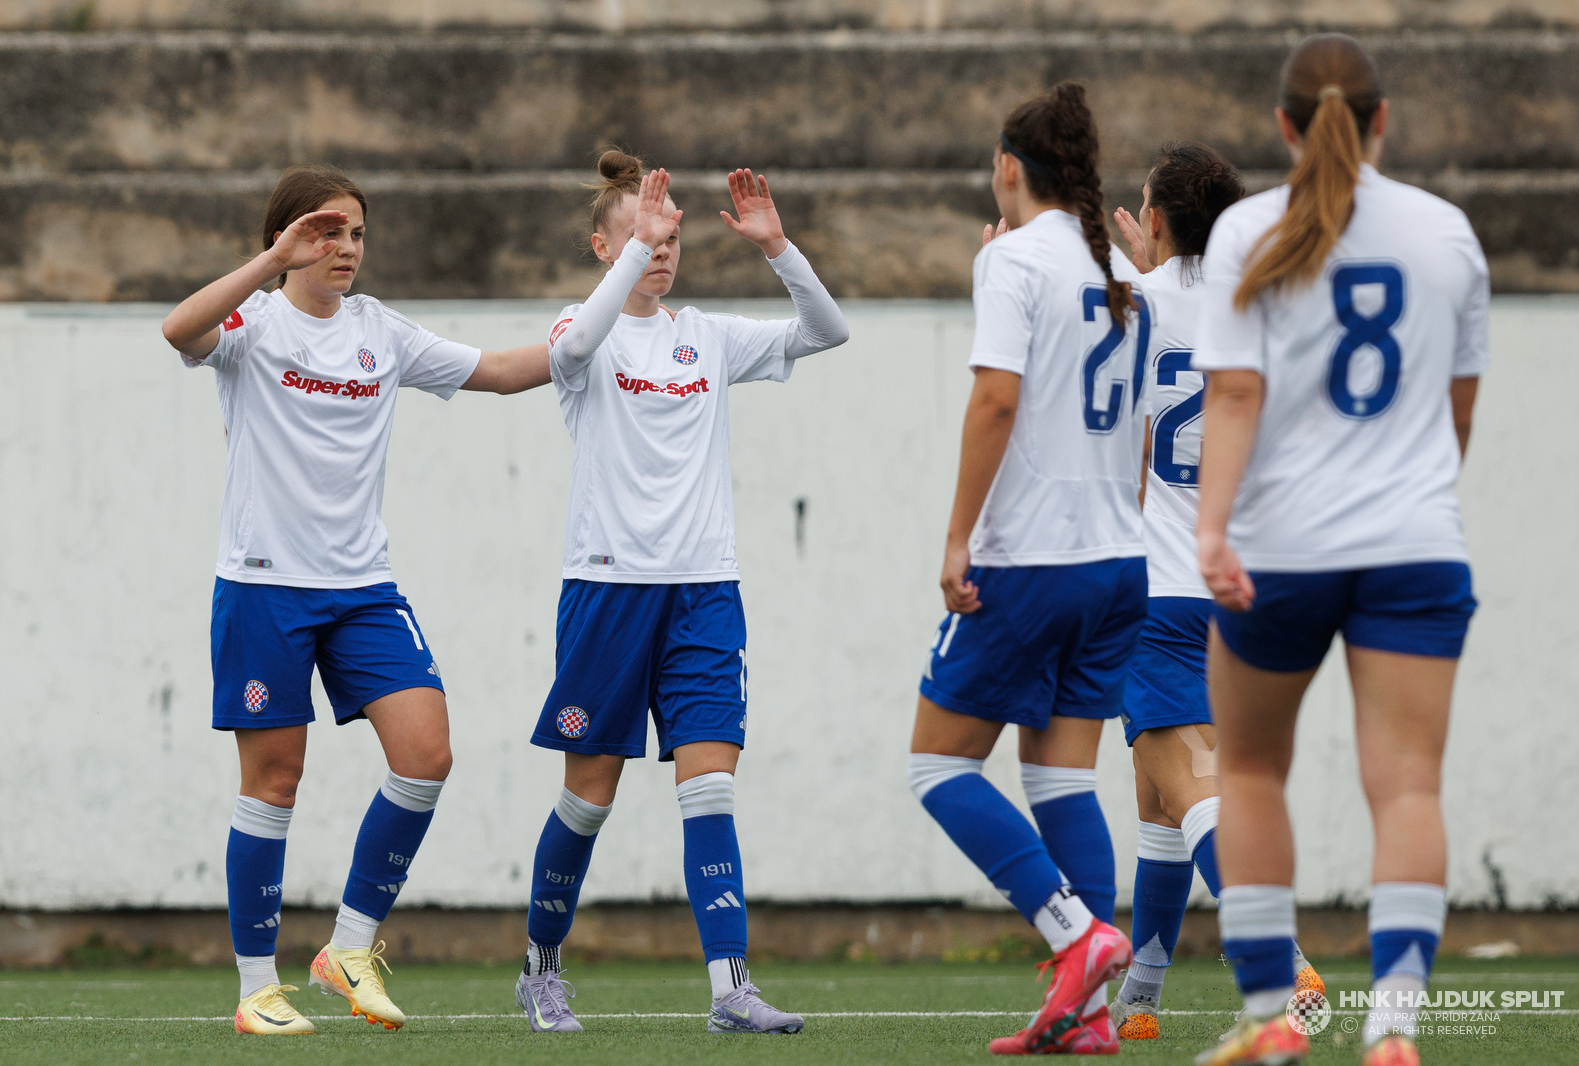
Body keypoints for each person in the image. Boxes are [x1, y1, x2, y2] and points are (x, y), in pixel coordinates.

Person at [160, 164, 553, 1036]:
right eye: (327, 233)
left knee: (427, 752)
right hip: (264, 587)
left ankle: (348, 947)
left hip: (363, 589)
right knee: (274, 778)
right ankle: (256, 987)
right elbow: (177, 329)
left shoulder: (381, 331)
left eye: (357, 235)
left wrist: (603, 304)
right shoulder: (252, 324)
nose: (345, 249)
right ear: (289, 238)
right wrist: (269, 263)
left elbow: (499, 370)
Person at [1190, 34, 1487, 1066]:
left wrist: (1210, 531)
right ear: (1382, 118)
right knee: (1406, 785)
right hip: (1413, 543)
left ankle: (1276, 1015)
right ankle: (1393, 1027)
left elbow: (1233, 395)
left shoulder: (1241, 231)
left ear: (1282, 124)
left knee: (1252, 767)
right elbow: (1455, 417)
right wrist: (1405, 507)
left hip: (1280, 549)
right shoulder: (1447, 234)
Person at [514, 154, 848, 1037]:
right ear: (603, 245)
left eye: (669, 235)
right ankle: (541, 966)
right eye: (640, 234)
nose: (661, 248)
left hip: (705, 597)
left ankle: (730, 989)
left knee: (710, 790)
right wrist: (635, 253)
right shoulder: (578, 334)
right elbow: (576, 346)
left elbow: (826, 330)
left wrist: (779, 248)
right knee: (588, 799)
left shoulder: (706, 336)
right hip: (607, 595)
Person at [910, 82, 1147, 1057]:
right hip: (1117, 561)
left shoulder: (1013, 262)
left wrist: (957, 536)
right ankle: (1086, 1017)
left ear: (1007, 167)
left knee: (936, 764)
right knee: (1059, 781)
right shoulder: (1121, 266)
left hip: (1033, 562)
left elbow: (995, 403)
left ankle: (1073, 934)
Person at [1103, 145, 1323, 1042]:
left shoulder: (1129, 307)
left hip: (1156, 587)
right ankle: (1143, 997)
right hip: (1244, 586)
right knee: (1160, 798)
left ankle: (1278, 958)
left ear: (1153, 222)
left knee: (1188, 782)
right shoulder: (1258, 308)